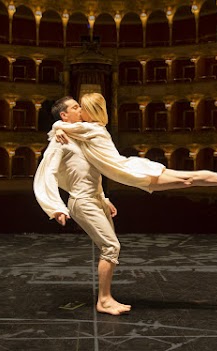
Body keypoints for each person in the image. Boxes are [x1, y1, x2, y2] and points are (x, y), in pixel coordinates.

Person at [33, 96, 131, 316]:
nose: (81, 109)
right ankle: (104, 301)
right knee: (111, 247)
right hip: (82, 201)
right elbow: (47, 172)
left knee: (111, 249)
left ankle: (106, 298)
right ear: (65, 115)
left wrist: (104, 197)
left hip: (95, 199)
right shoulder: (60, 141)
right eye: (76, 107)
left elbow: (87, 172)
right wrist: (54, 206)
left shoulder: (79, 135)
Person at [51, 93, 217, 193]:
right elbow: (60, 127)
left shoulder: (89, 128)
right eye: (76, 108)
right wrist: (59, 127)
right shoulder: (93, 128)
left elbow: (58, 126)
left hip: (132, 172)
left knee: (188, 180)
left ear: (89, 111)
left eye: (81, 107)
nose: (78, 110)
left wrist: (58, 127)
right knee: (189, 179)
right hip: (131, 168)